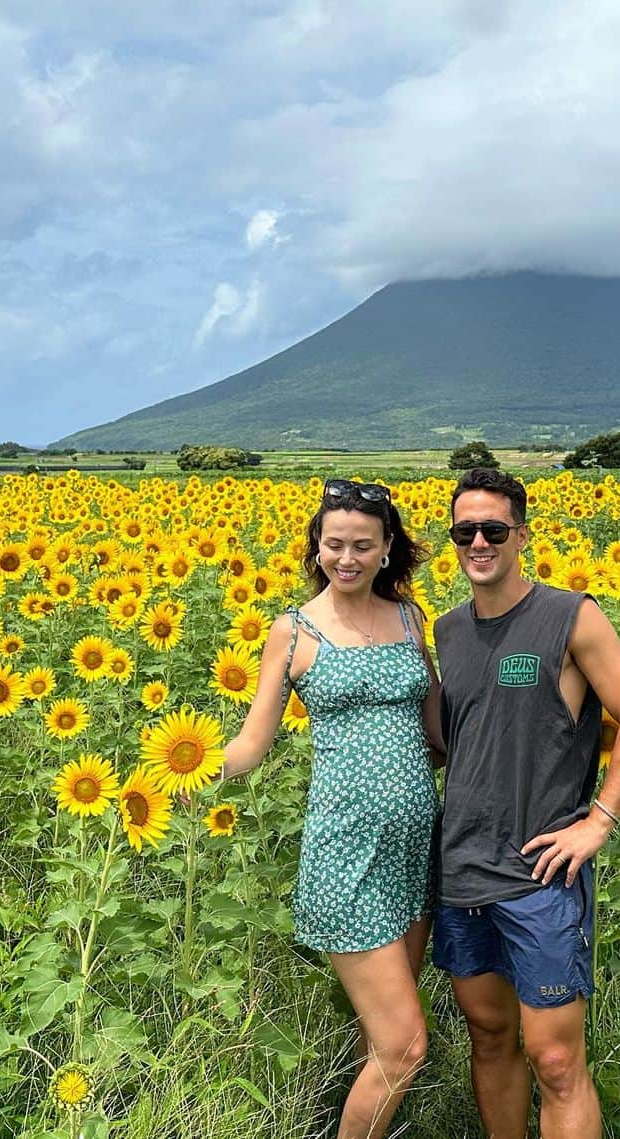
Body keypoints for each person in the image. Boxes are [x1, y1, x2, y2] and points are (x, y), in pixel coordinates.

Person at [432, 467, 620, 1139]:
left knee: (557, 1058)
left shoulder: (569, 615)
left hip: (541, 874)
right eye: (465, 530)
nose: (479, 541)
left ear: (522, 535)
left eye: (494, 529)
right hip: (463, 868)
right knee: (490, 1034)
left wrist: (599, 823)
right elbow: (461, 737)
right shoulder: (448, 631)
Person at [218, 479, 443, 1139]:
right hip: (346, 855)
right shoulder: (293, 630)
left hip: (413, 849)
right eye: (334, 543)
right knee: (405, 1046)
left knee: (377, 1036)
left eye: (362, 545)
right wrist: (192, 771)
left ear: (386, 547)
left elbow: (437, 731)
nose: (346, 557)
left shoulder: (409, 617)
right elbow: (253, 741)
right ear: (316, 545)